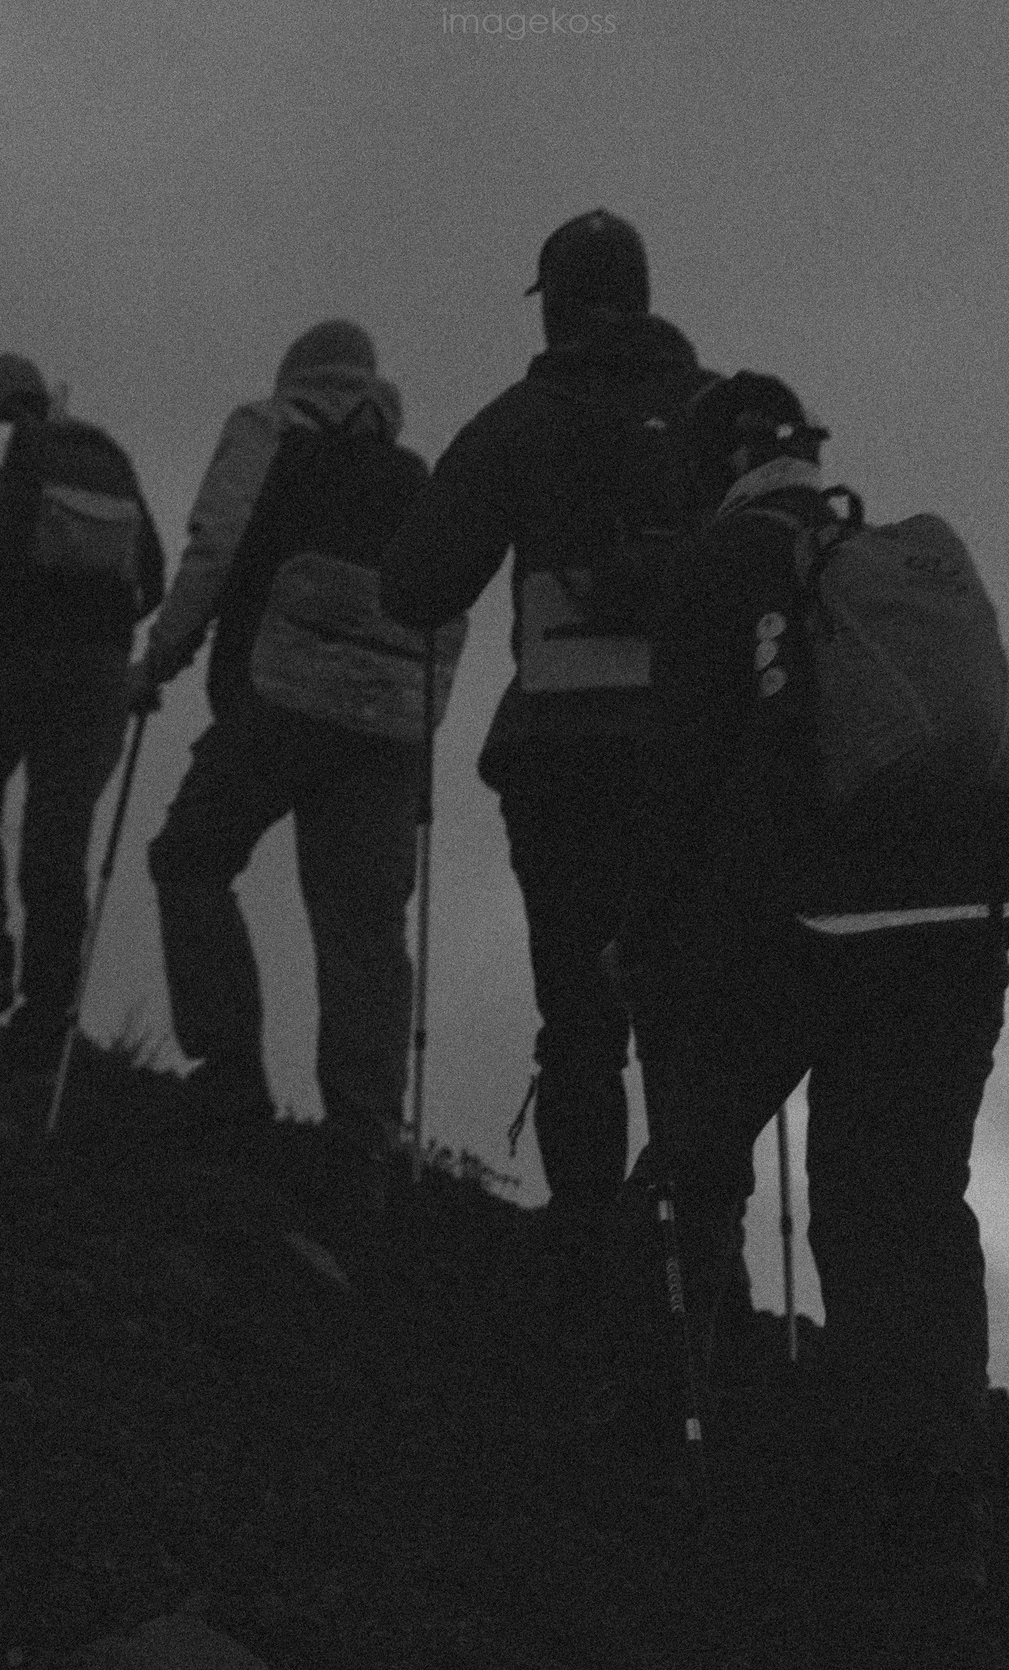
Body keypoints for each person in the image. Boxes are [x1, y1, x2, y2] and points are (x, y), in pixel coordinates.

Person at [613, 373, 1009, 1574]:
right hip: (970, 902)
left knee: (696, 1161)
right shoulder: (877, 558)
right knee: (903, 1205)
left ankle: (645, 1437)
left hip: (803, 920)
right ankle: (924, 1505)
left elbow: (682, 773)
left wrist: (643, 928)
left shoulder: (718, 568)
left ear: (711, 470)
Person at [379, 209, 716, 1249]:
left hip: (563, 762)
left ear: (557, 304)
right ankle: (700, 1263)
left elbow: (417, 587)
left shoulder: (522, 419)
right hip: (698, 765)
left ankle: (584, 1247)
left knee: (582, 1017)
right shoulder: (720, 414)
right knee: (691, 1014)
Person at [136, 321, 447, 1147]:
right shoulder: (412, 475)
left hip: (273, 697)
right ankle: (364, 1130)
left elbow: (217, 545)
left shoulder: (266, 428)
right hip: (384, 722)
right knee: (364, 922)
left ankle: (232, 1074)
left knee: (191, 856)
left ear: (295, 373)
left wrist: (162, 655)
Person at [0, 354, 165, 1058]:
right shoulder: (100, 452)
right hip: (95, 672)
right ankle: (50, 1007)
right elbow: (151, 575)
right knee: (59, 839)